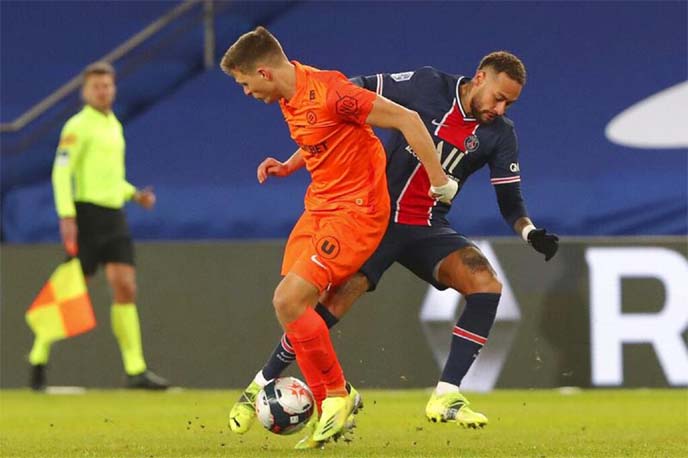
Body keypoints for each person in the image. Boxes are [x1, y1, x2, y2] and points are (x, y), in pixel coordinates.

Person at [229, 51, 559, 432]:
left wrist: (529, 231)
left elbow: (510, 200)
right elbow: (346, 98)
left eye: (509, 103)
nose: (500, 109)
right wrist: (294, 161)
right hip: (375, 217)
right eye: (498, 97)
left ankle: (446, 395)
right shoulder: (428, 84)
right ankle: (259, 385)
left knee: (486, 284)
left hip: (427, 227)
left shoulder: (501, 135)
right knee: (322, 307)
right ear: (480, 77)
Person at [219, 26, 458, 448]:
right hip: (319, 209)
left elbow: (408, 119)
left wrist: (439, 180)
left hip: (357, 213)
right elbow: (321, 136)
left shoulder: (334, 91)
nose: (245, 92)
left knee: (288, 300)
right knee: (294, 306)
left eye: (244, 83)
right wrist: (289, 165)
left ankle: (337, 395)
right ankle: (332, 400)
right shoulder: (291, 95)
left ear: (264, 73)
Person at [30, 61, 169, 391]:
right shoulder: (77, 127)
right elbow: (61, 172)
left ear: (114, 88)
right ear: (85, 91)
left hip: (114, 216)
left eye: (107, 86)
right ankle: (38, 354)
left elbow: (109, 178)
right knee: (72, 289)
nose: (103, 91)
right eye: (96, 87)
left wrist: (134, 194)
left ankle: (135, 370)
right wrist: (67, 216)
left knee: (125, 286)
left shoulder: (114, 125)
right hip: (87, 216)